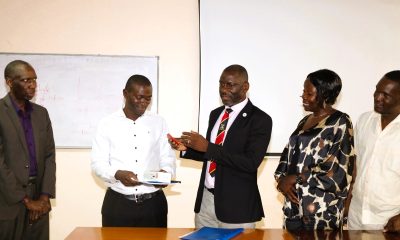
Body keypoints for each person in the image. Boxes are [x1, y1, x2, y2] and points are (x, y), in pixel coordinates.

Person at [169, 64, 272, 228]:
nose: (223, 89)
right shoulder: (216, 114)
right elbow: (213, 156)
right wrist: (187, 149)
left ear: (245, 87)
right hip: (206, 202)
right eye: (221, 83)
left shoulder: (260, 119)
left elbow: (250, 162)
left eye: (230, 85)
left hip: (237, 207)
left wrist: (207, 147)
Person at [274, 69, 355, 230]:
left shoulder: (340, 121)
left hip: (322, 210)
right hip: (294, 207)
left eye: (308, 93)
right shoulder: (305, 120)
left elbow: (340, 169)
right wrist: (282, 180)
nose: (303, 96)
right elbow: (289, 155)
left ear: (324, 94)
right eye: (303, 91)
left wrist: (296, 178)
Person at [91, 74, 176, 227]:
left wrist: (166, 172)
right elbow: (98, 164)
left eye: (148, 98)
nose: (143, 103)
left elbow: (168, 157)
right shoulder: (106, 124)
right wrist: (117, 174)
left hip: (153, 206)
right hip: (118, 205)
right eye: (139, 97)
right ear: (125, 94)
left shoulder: (159, 122)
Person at [0, 60, 56, 240]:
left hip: (39, 201)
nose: (32, 85)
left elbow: (49, 156)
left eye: (34, 80)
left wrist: (44, 197)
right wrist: (26, 200)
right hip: (9, 202)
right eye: (25, 80)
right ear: (9, 82)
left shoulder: (41, 113)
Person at [348, 70, 400, 233]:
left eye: (386, 95)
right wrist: (347, 202)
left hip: (389, 221)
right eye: (377, 91)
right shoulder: (364, 120)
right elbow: (355, 165)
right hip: (356, 216)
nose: (378, 97)